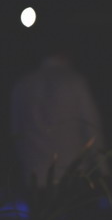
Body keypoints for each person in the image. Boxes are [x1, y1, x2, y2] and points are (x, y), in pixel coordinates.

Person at [10, 31, 102, 185]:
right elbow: (91, 127)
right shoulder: (74, 82)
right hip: (71, 174)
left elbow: (15, 131)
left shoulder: (23, 84)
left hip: (34, 173)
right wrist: (103, 169)